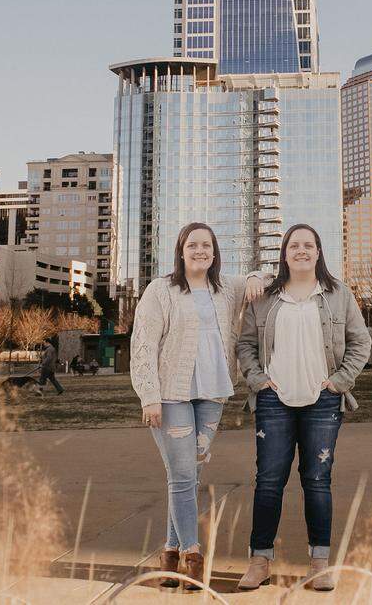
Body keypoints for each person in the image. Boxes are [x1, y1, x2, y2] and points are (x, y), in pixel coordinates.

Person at [130, 222, 266, 590]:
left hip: (212, 394)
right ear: (181, 250)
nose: (200, 251)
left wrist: (253, 274)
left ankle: (170, 552)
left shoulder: (226, 289)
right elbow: (142, 345)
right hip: (170, 396)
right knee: (182, 475)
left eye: (207, 245)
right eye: (193, 245)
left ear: (215, 252)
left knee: (190, 474)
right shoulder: (161, 290)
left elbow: (266, 276)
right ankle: (192, 555)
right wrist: (149, 396)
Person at [236, 224, 371, 593]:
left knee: (317, 482)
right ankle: (259, 561)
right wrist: (258, 380)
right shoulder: (265, 296)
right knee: (268, 482)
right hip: (273, 401)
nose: (301, 250)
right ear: (284, 253)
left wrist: (339, 382)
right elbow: (245, 344)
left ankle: (319, 564)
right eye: (294, 245)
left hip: (323, 402)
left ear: (318, 251)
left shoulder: (337, 294)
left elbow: (361, 342)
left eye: (308, 245)